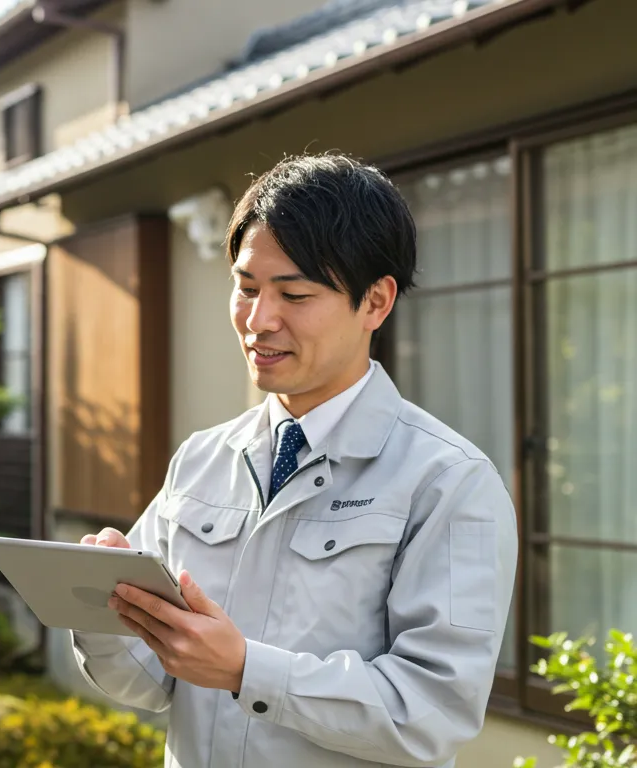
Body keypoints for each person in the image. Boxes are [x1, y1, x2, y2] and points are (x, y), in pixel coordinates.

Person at [72, 154, 518, 768]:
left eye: (296, 293)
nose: (259, 321)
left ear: (376, 303)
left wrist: (248, 671)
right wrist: (104, 611)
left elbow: (432, 712)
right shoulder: (202, 458)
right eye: (247, 288)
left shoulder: (447, 481)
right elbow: (147, 684)